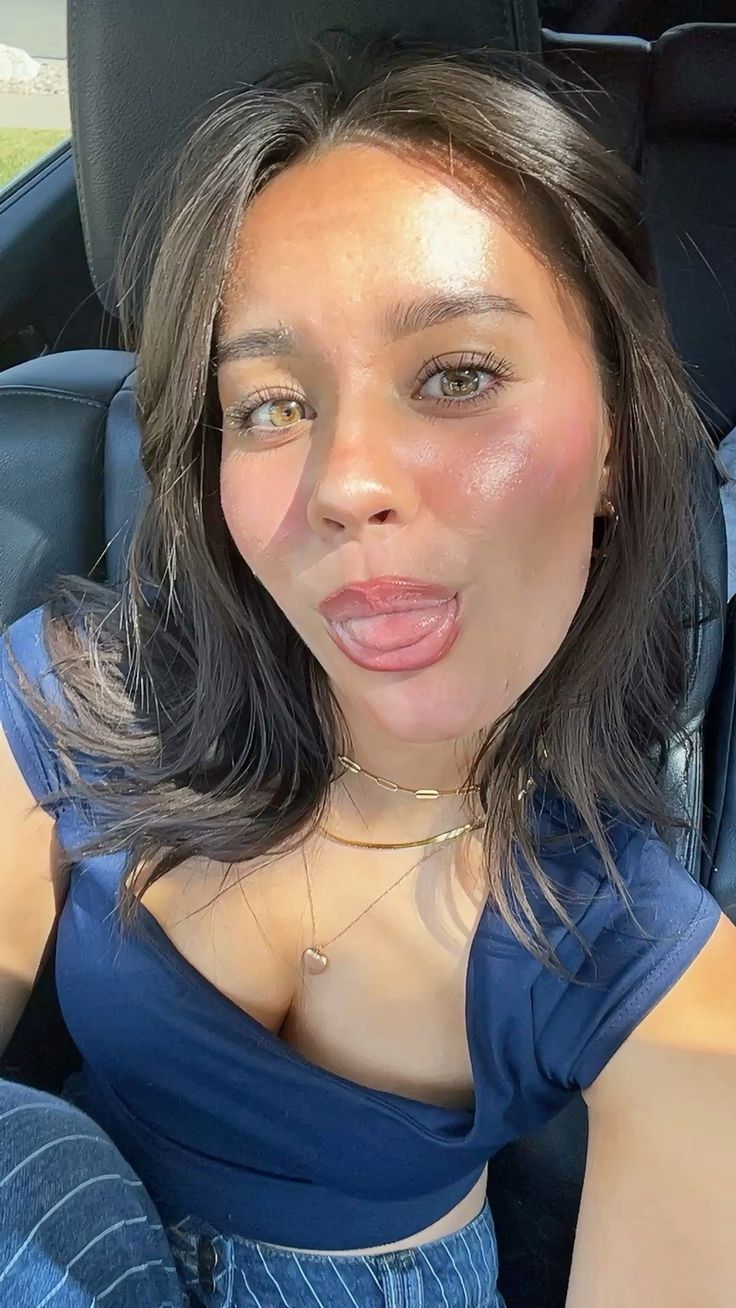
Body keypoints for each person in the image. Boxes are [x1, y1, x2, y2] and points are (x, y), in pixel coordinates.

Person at [1, 31, 734, 1308]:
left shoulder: (644, 965)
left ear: (616, 441)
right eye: (271, 406)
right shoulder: (84, 695)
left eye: (456, 375)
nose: (344, 484)